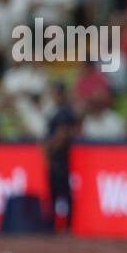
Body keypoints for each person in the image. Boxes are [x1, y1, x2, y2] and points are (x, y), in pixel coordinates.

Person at [43, 82, 78, 231]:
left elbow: (62, 135)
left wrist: (49, 148)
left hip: (61, 158)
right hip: (55, 158)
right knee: (54, 192)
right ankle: (55, 224)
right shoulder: (55, 111)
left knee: (63, 191)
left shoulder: (65, 112)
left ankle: (66, 224)